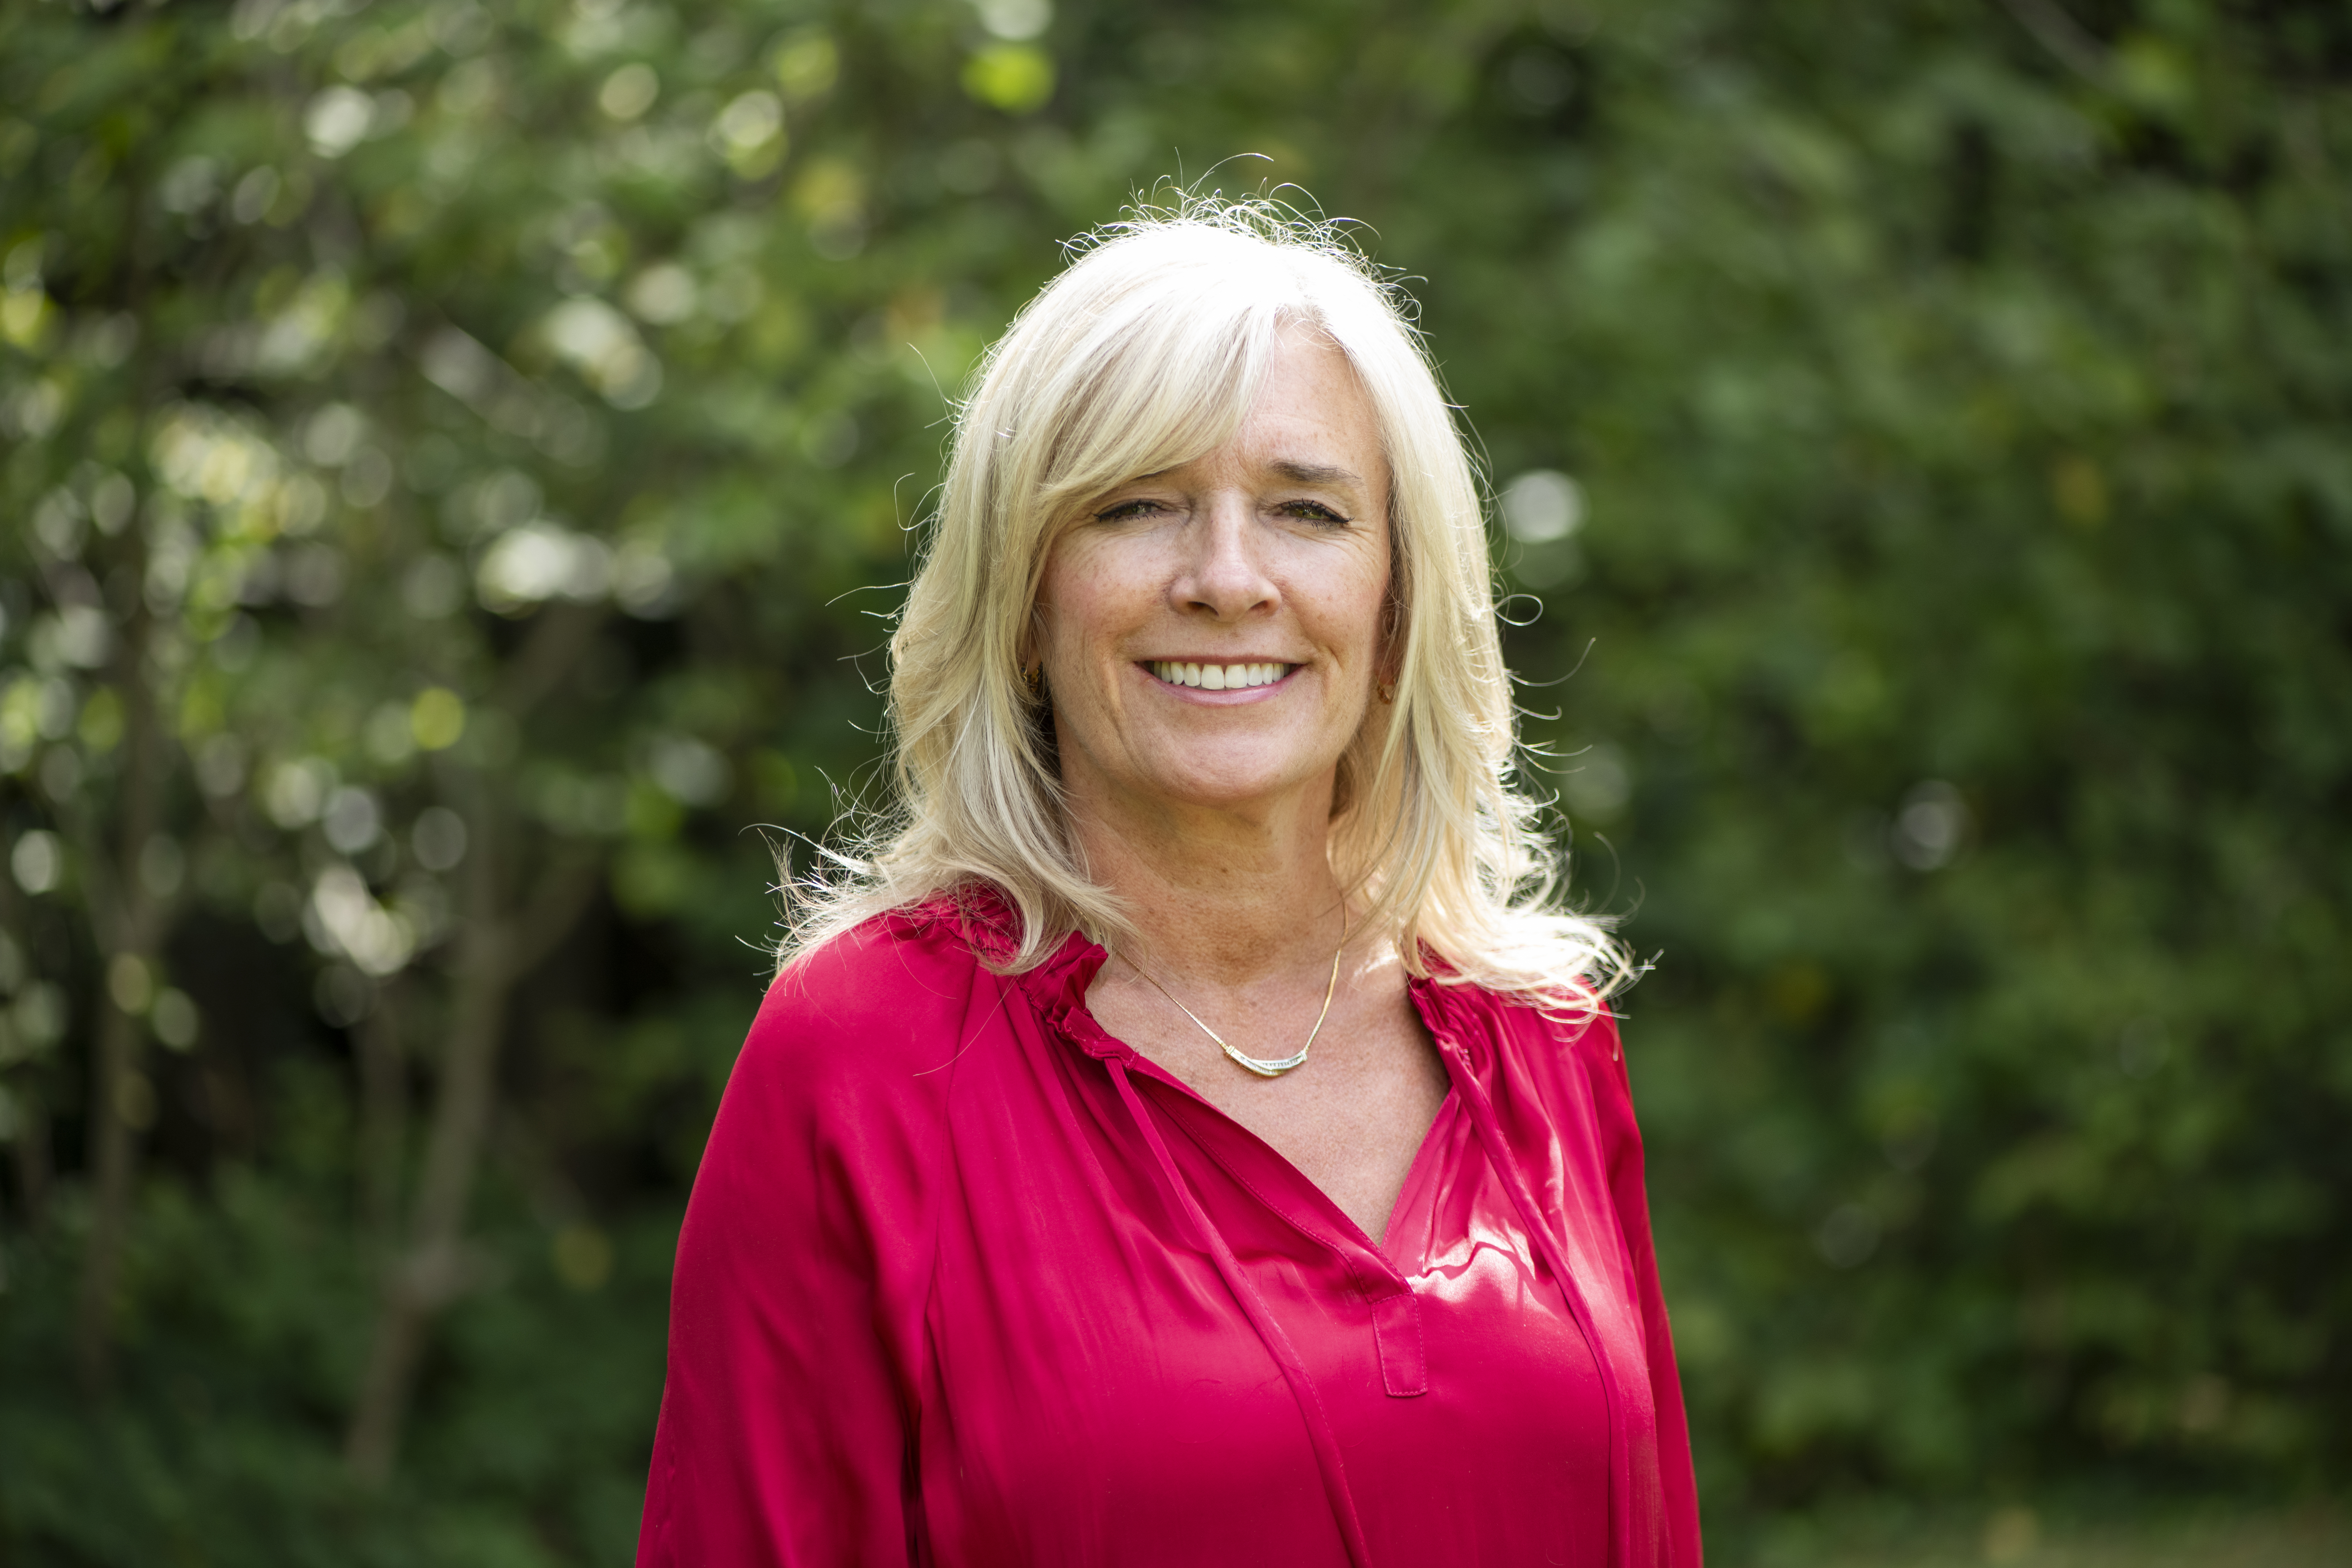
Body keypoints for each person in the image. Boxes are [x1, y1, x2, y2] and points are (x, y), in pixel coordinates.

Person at [636, 198, 1701, 1568]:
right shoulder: (867, 1052)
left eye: (1305, 510)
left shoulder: (1538, 1032)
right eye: (1138, 506)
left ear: (1395, 600)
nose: (1225, 577)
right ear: (1025, 595)